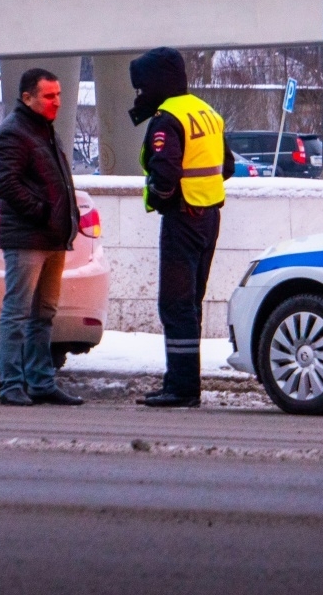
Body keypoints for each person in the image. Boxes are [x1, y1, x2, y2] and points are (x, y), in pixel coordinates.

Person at [128, 47, 233, 408]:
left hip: (182, 217)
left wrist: (159, 197)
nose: (139, 95)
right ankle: (182, 379)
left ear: (158, 82)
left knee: (174, 305)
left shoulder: (167, 118)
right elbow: (228, 165)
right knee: (191, 304)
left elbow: (166, 173)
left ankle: (182, 388)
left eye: (141, 87)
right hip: (209, 217)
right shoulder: (207, 112)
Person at [0, 67, 85, 407]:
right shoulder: (13, 133)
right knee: (17, 313)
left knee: (43, 314)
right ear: (27, 97)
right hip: (29, 238)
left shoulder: (44, 130)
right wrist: (45, 213)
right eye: (49, 96)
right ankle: (12, 384)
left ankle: (41, 382)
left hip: (51, 237)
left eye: (59, 94)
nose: (57, 102)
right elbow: (6, 185)